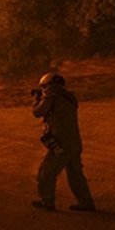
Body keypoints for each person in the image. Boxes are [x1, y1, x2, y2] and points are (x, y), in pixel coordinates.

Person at [31, 72, 95, 212]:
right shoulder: (70, 97)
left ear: (47, 85)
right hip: (74, 141)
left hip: (60, 143)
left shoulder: (51, 97)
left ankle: (47, 201)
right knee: (75, 174)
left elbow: (37, 112)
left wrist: (36, 99)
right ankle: (86, 202)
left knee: (46, 172)